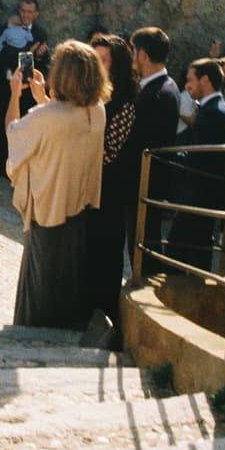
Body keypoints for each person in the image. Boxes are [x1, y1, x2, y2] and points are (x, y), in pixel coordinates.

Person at [6, 40, 109, 329]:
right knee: (66, 278)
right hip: (78, 207)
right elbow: (66, 127)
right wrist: (44, 100)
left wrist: (15, 96)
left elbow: (14, 134)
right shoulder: (97, 110)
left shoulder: (47, 117)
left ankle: (32, 332)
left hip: (48, 208)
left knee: (40, 280)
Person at [166, 58, 225, 272]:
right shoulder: (214, 108)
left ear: (204, 80)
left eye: (190, 80)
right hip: (202, 197)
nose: (187, 85)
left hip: (199, 197)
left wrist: (172, 158)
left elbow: (200, 159)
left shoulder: (212, 113)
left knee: (177, 255)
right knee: (195, 254)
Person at [88, 34, 139, 322]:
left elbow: (107, 153)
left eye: (103, 60)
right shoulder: (94, 96)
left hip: (108, 193)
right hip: (89, 189)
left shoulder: (124, 104)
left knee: (105, 257)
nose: (98, 66)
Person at [130, 26, 180, 262]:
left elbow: (144, 139)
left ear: (143, 56)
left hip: (146, 180)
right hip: (146, 179)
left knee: (143, 243)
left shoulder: (159, 93)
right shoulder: (159, 87)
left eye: (134, 51)